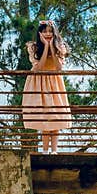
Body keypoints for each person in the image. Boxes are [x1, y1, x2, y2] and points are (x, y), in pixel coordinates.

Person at [21, 19, 71, 153]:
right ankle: (44, 150)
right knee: (44, 116)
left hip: (54, 82)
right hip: (39, 82)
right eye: (45, 31)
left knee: (55, 115)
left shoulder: (60, 46)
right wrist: (46, 47)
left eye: (50, 31)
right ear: (40, 33)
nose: (48, 34)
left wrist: (52, 47)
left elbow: (59, 67)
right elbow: (40, 67)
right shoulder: (34, 47)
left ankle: (54, 150)